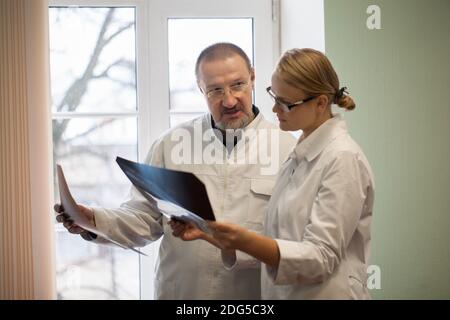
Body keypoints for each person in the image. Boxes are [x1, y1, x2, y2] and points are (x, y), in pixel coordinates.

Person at [54, 42, 296, 299]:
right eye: (215, 90)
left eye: (238, 85)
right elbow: (143, 218)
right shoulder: (170, 144)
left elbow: (293, 244)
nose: (229, 100)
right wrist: (91, 220)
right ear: (201, 89)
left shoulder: (288, 150)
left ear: (253, 77)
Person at [170, 48, 375, 299]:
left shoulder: (342, 159)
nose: (275, 109)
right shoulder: (299, 156)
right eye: (274, 96)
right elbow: (278, 246)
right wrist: (209, 235)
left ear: (321, 103)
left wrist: (243, 239)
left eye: (286, 103)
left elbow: (320, 258)